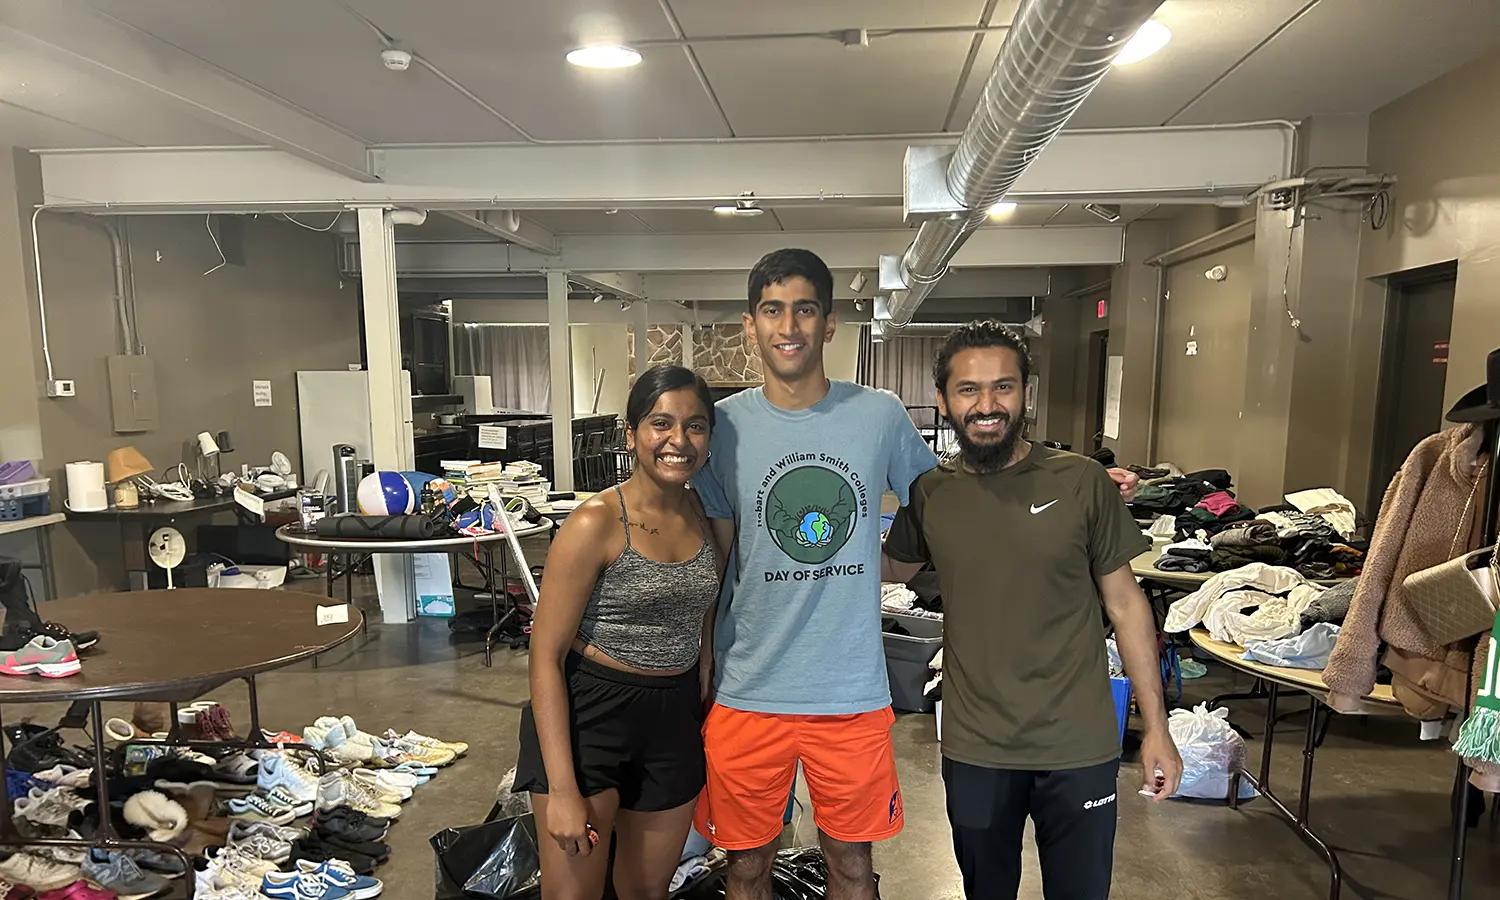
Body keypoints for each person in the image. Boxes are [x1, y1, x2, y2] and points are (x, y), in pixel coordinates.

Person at [691, 249, 1141, 900]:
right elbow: (720, 562)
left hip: (849, 691)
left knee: (851, 866)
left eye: (805, 309)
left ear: (829, 323)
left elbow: (961, 490)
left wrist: (1074, 475)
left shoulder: (877, 415)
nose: (789, 326)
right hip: (747, 689)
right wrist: (705, 668)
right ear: (750, 324)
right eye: (772, 310)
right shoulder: (725, 426)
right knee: (745, 867)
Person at [880, 321, 1183, 900]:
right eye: (968, 390)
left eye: (1003, 387)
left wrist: (1157, 728)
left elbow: (1126, 604)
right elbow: (883, 572)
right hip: (976, 744)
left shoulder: (1082, 482)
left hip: (1077, 741)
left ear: (1027, 393)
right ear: (943, 399)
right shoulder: (930, 493)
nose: (987, 405)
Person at [514, 365, 726, 900]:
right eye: (661, 423)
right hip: (592, 717)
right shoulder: (596, 522)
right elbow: (545, 656)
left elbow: (700, 609)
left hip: (673, 718)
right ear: (629, 434)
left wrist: (702, 674)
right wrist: (561, 787)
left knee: (645, 892)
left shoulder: (706, 513)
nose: (678, 440)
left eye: (695, 426)